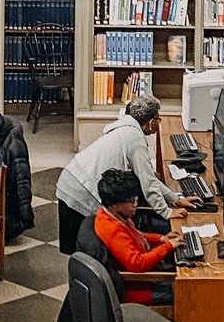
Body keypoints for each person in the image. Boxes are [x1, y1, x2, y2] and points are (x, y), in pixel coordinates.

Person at [54, 94, 201, 254]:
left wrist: (176, 199)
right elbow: (148, 183)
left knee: (84, 247)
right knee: (86, 249)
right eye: (158, 119)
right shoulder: (134, 139)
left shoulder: (125, 128)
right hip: (80, 190)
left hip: (72, 179)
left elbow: (148, 177)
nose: (159, 123)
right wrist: (167, 212)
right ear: (150, 122)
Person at [89, 168, 179, 305]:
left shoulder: (112, 215)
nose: (136, 204)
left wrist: (161, 239)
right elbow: (137, 263)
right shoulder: (112, 230)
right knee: (190, 290)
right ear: (115, 204)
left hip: (145, 274)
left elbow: (135, 235)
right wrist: (168, 247)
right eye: (131, 202)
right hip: (137, 286)